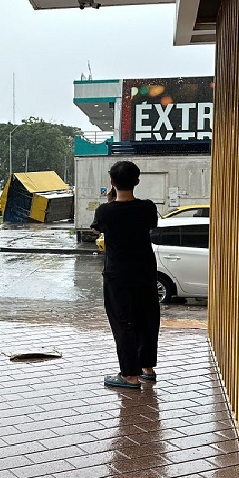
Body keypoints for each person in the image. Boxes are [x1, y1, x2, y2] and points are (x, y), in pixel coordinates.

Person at [90, 161, 160, 389]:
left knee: (123, 323)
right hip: (146, 273)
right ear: (137, 181)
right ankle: (147, 367)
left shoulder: (104, 211)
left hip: (118, 276)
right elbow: (151, 224)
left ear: (112, 182)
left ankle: (130, 375)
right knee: (148, 319)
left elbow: (97, 227)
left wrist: (110, 202)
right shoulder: (148, 207)